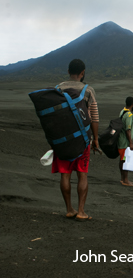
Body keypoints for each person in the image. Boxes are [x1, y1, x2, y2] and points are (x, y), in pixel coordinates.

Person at [52, 59, 100, 221]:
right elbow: (94, 118)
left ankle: (69, 209)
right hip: (82, 140)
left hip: (63, 140)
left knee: (65, 175)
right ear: (83, 73)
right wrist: (95, 140)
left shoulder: (58, 89)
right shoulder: (88, 90)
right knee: (82, 174)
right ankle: (81, 211)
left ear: (68, 71)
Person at [118, 97, 133, 187]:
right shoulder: (129, 115)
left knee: (122, 160)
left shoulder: (122, 111)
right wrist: (131, 142)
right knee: (125, 161)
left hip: (120, 141)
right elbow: (128, 130)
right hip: (124, 142)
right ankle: (125, 180)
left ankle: (123, 179)